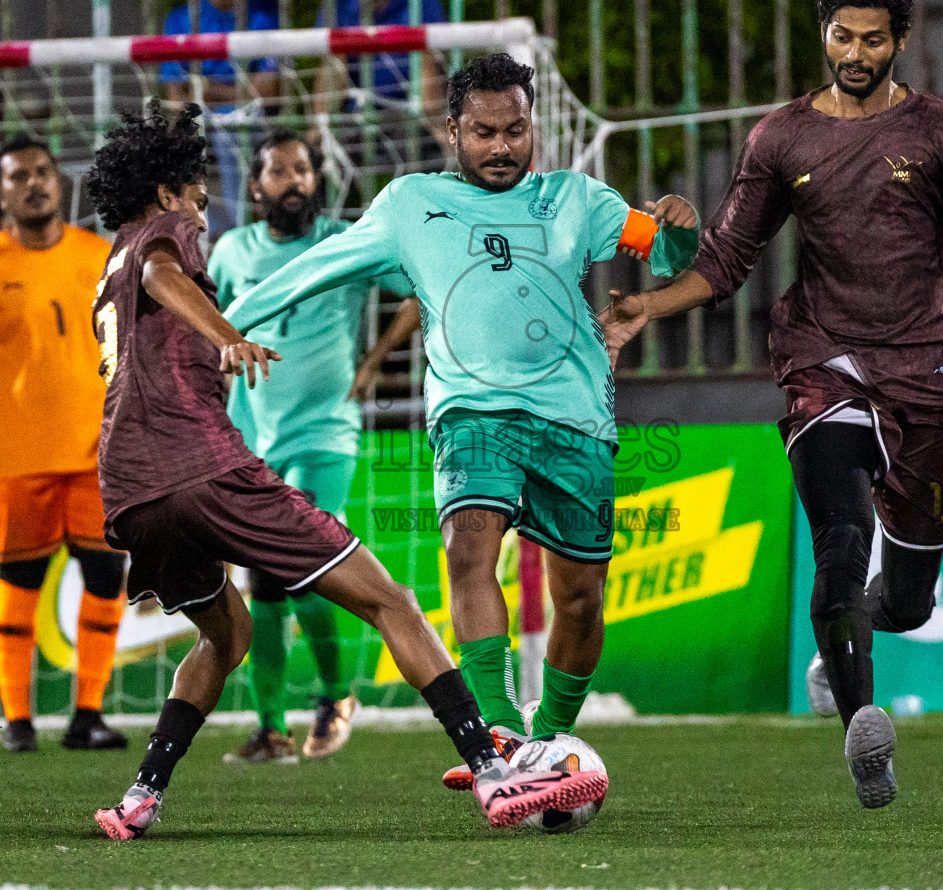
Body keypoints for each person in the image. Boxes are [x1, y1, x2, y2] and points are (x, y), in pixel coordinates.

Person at [597, 0, 943, 809]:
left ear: (900, 42)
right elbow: (726, 259)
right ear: (823, 34)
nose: (856, 52)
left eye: (874, 39)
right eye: (843, 36)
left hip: (930, 378)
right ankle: (863, 729)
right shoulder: (780, 138)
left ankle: (846, 646)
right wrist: (645, 305)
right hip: (822, 361)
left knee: (906, 601)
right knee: (838, 536)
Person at [86, 102, 605, 839]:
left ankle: (141, 796)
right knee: (389, 600)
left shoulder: (105, 270)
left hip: (130, 489)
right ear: (166, 192)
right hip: (204, 466)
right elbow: (166, 273)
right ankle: (493, 774)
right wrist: (227, 335)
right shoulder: (164, 240)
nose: (205, 202)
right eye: (196, 186)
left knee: (226, 635)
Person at [221, 53, 700, 790]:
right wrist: (219, 326)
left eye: (514, 130)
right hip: (469, 410)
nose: (501, 146)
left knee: (580, 595)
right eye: (482, 132)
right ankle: (500, 730)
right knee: (467, 546)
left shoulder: (576, 198)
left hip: (573, 415)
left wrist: (679, 228)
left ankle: (552, 736)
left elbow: (661, 253)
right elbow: (311, 268)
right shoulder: (409, 205)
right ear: (453, 131)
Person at [208, 130, 422, 764]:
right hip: (251, 436)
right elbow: (210, 324)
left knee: (303, 566)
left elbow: (416, 292)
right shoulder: (231, 250)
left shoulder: (344, 241)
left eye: (302, 169)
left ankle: (336, 695)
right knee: (262, 582)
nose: (292, 180)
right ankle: (270, 728)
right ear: (256, 186)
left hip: (325, 431)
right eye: (278, 171)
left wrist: (377, 361)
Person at [0, 137, 129, 754]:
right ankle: (17, 721)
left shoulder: (100, 255)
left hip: (96, 453)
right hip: (18, 459)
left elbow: (127, 354)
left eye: (43, 172)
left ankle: (88, 715)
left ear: (60, 182)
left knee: (105, 574)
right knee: (19, 579)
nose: (35, 184)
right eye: (19, 177)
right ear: (1, 193)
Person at [160, 0, 281, 239]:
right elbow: (176, 99)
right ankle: (202, 236)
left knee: (232, 132)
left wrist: (203, 89)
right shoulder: (180, 19)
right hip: (199, 122)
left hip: (248, 123)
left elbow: (268, 92)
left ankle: (231, 237)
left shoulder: (265, 14)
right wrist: (236, 91)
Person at [313, 0, 448, 145]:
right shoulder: (337, 4)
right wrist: (320, 127)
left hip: (412, 113)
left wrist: (436, 125)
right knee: (320, 153)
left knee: (439, 153)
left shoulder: (421, 0)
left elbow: (429, 69)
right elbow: (332, 70)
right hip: (356, 113)